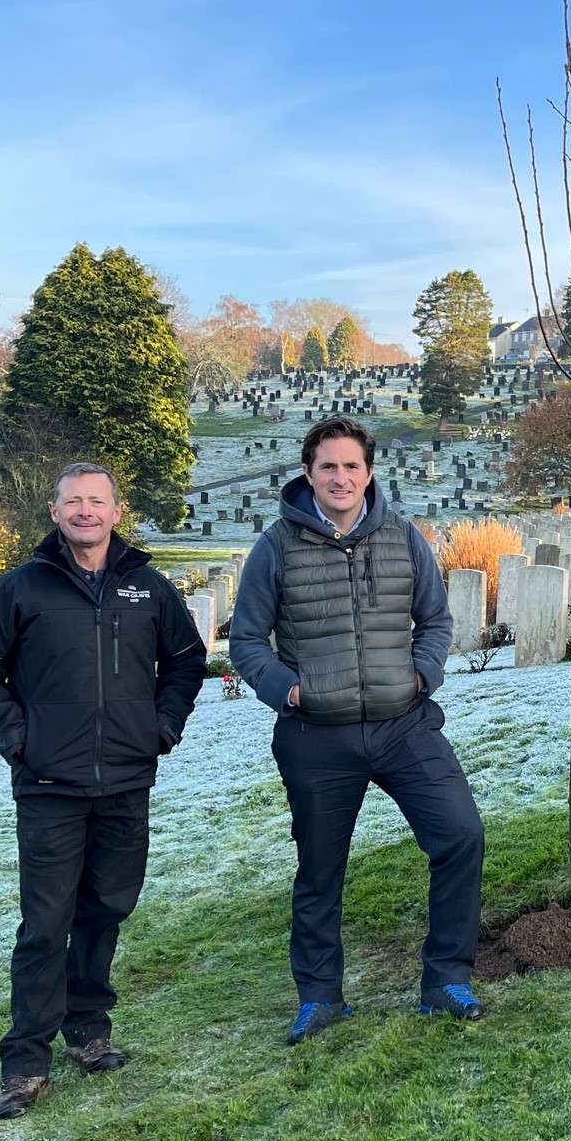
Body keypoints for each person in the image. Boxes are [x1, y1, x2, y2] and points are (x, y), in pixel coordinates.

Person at [0, 462, 208, 1119]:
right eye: (74, 502)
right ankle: (25, 1063)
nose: (86, 512)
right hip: (49, 788)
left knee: (105, 911)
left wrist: (162, 725)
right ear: (55, 510)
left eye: (97, 501)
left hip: (126, 781)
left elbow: (185, 661)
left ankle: (89, 1030)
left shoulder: (147, 590)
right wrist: (21, 737)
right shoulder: (18, 590)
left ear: (116, 511)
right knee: (45, 924)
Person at [229, 415, 486, 1044]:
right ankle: (320, 996)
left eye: (351, 466)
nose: (340, 478)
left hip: (405, 726)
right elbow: (245, 640)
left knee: (460, 834)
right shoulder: (276, 546)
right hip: (318, 735)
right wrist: (289, 690)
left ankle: (445, 979)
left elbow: (435, 621)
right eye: (327, 467)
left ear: (369, 473)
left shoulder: (403, 537)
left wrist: (423, 676)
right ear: (308, 474)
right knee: (320, 869)